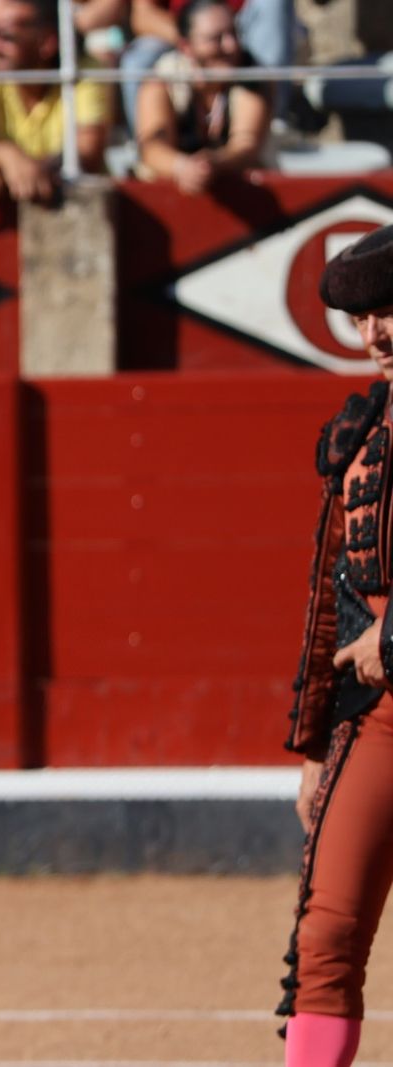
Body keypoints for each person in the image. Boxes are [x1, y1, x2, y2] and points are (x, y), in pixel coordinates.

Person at [278, 226, 393, 1067]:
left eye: (392, 313)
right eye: (363, 318)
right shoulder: (357, 429)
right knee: (327, 931)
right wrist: (314, 743)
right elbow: (330, 598)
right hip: (377, 719)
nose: (377, 333)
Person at [0, 0, 111, 216]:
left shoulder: (81, 72)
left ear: (47, 42)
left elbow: (88, 153)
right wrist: (5, 158)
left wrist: (8, 169)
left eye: (6, 37)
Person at [135, 0, 270, 194]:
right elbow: (151, 148)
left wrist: (214, 163)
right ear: (186, 47)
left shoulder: (252, 75)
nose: (230, 46)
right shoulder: (161, 80)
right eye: (216, 38)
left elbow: (245, 145)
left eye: (233, 33)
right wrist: (182, 167)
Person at [119, 0, 294, 130]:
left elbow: (244, 148)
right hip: (183, 31)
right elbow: (143, 16)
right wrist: (196, 39)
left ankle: (272, 118)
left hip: (240, 28)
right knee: (138, 60)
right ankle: (143, 138)